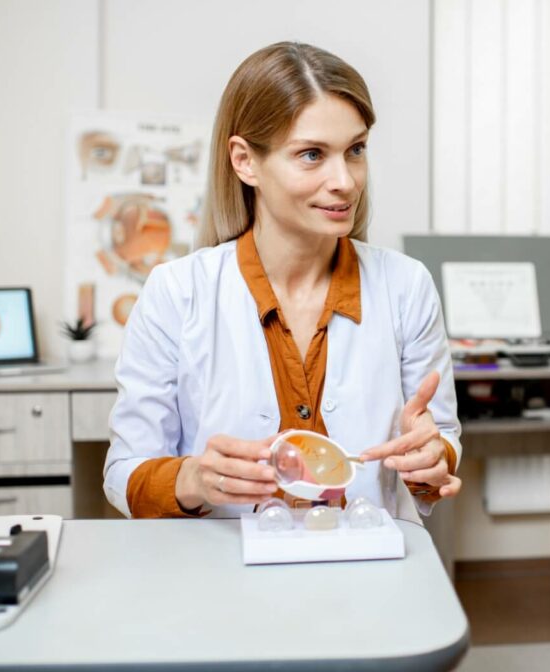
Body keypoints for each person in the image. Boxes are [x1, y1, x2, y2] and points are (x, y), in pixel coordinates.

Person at [103, 42, 462, 521]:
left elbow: (441, 445)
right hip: (224, 576)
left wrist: (431, 458)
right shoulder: (177, 292)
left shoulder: (406, 285)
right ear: (245, 161)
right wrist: (194, 478)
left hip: (368, 571)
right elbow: (124, 473)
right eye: (312, 155)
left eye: (355, 150)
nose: (346, 180)